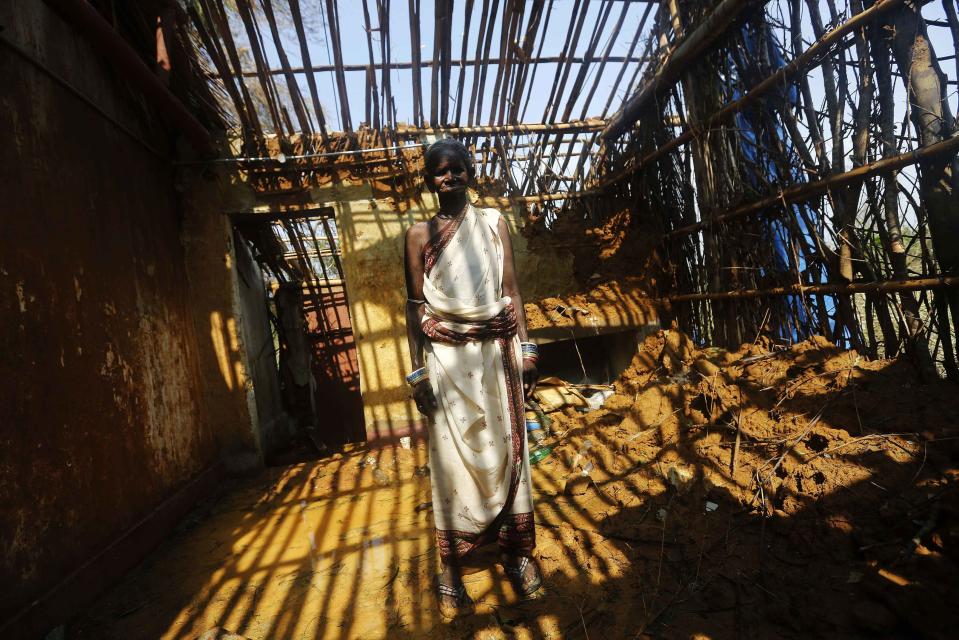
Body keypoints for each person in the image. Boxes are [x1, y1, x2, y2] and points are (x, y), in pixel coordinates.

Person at [403, 138, 542, 618]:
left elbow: (511, 291)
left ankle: (517, 554)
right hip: (445, 362)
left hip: (496, 357)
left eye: (456, 169)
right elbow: (416, 307)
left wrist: (526, 348)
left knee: (508, 449)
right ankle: (449, 570)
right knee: (449, 460)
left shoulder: (493, 224)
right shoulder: (418, 235)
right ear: (428, 179)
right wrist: (417, 373)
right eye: (439, 172)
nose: (449, 177)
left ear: (469, 172)